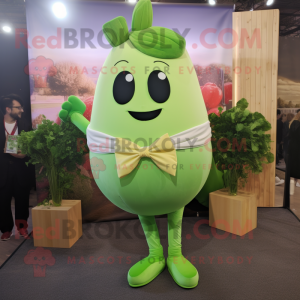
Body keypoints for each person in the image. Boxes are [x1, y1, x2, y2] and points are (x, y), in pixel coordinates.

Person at [0, 94, 32, 241]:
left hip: (21, 171)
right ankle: (6, 230)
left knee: (22, 201)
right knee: (3, 202)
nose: (22, 110)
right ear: (8, 109)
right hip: (2, 172)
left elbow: (31, 148)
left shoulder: (25, 124)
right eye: (18, 107)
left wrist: (24, 155)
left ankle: (22, 228)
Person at [288, 110, 300, 194]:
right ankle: (298, 181)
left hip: (293, 146)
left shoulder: (293, 123)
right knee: (296, 163)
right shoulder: (296, 123)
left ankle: (295, 181)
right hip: (297, 146)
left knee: (294, 163)